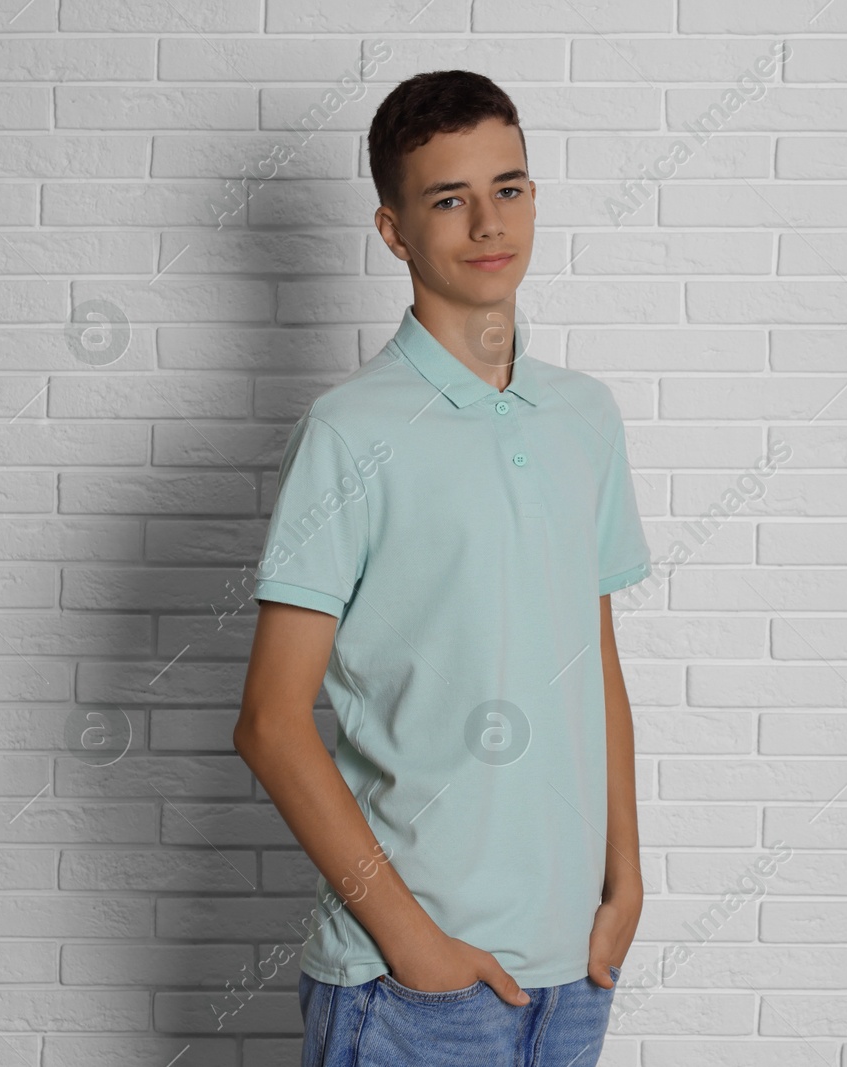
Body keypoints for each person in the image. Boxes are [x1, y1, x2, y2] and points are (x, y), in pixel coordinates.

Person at [233, 69, 651, 1066]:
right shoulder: (348, 432)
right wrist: (414, 944)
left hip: (573, 975)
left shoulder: (583, 416)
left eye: (507, 188)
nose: (486, 222)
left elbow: (592, 653)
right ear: (394, 231)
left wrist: (625, 882)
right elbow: (269, 721)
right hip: (408, 987)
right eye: (448, 199)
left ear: (535, 199)